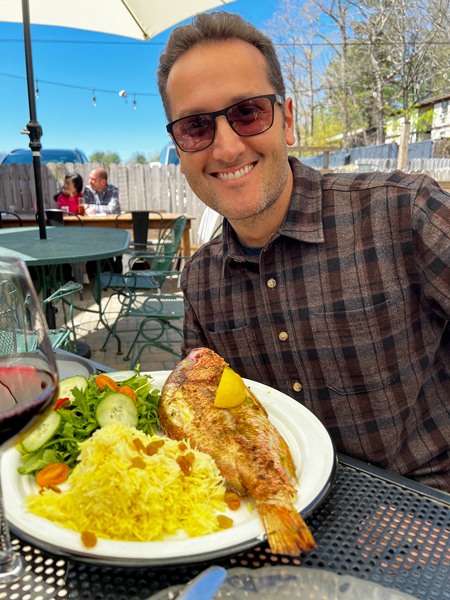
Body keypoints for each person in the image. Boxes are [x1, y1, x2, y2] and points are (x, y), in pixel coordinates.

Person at [157, 11, 450, 492]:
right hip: (275, 513)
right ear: (179, 148)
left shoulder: (405, 211)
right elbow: (202, 418)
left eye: (248, 112)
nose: (227, 148)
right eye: (195, 127)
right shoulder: (200, 282)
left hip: (425, 511)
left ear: (287, 120)